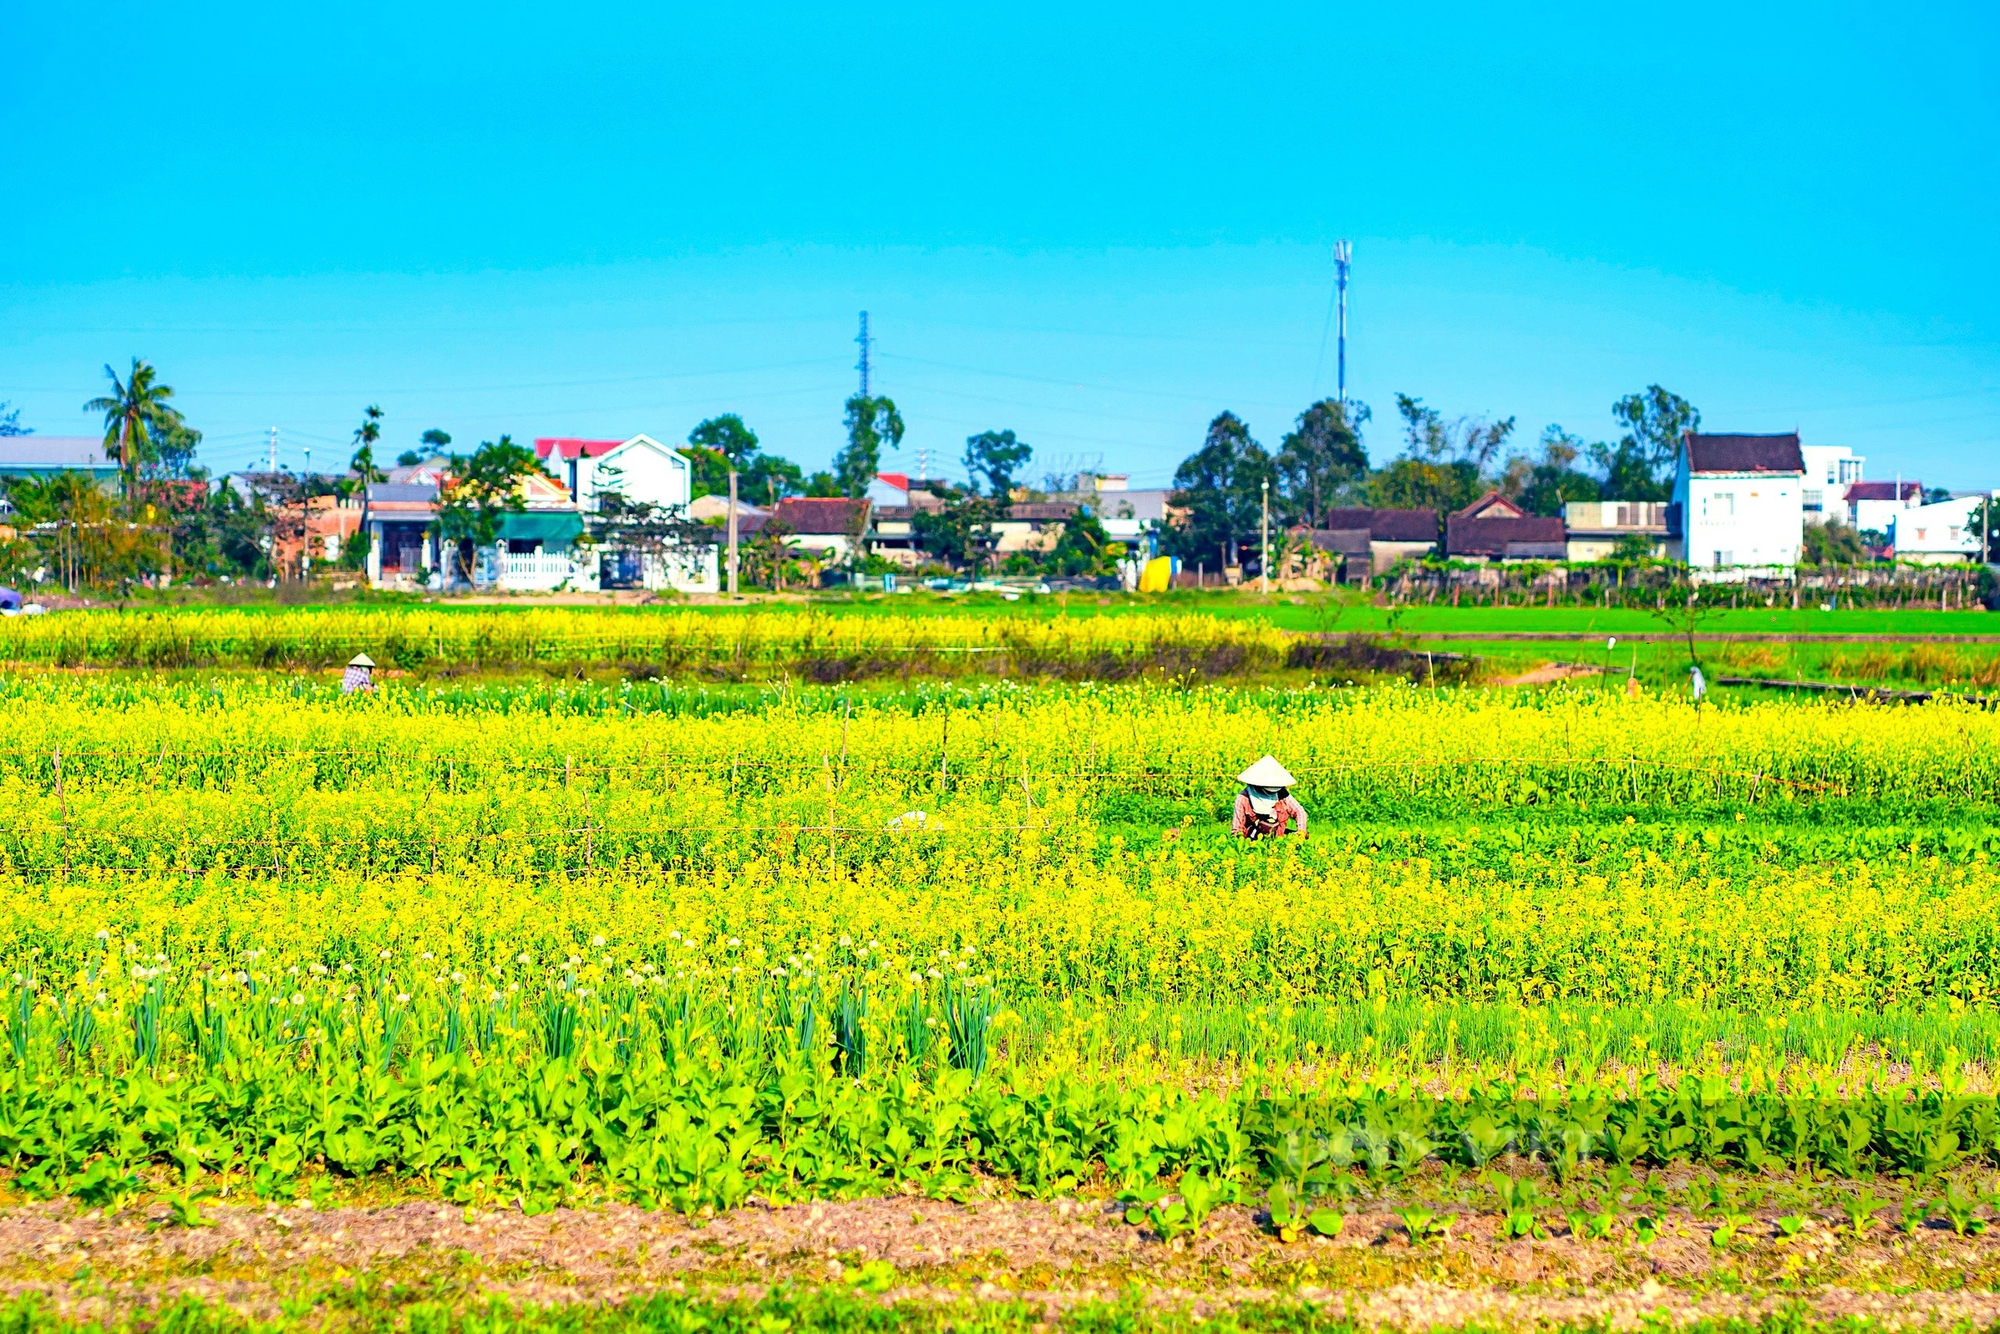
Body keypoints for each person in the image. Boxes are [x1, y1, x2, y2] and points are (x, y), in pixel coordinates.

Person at [1231, 755, 1307, 840]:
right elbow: (1237, 829)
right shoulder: (1243, 798)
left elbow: (1299, 812)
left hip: (1278, 841)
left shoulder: (1282, 794)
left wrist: (1301, 832)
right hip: (1252, 844)